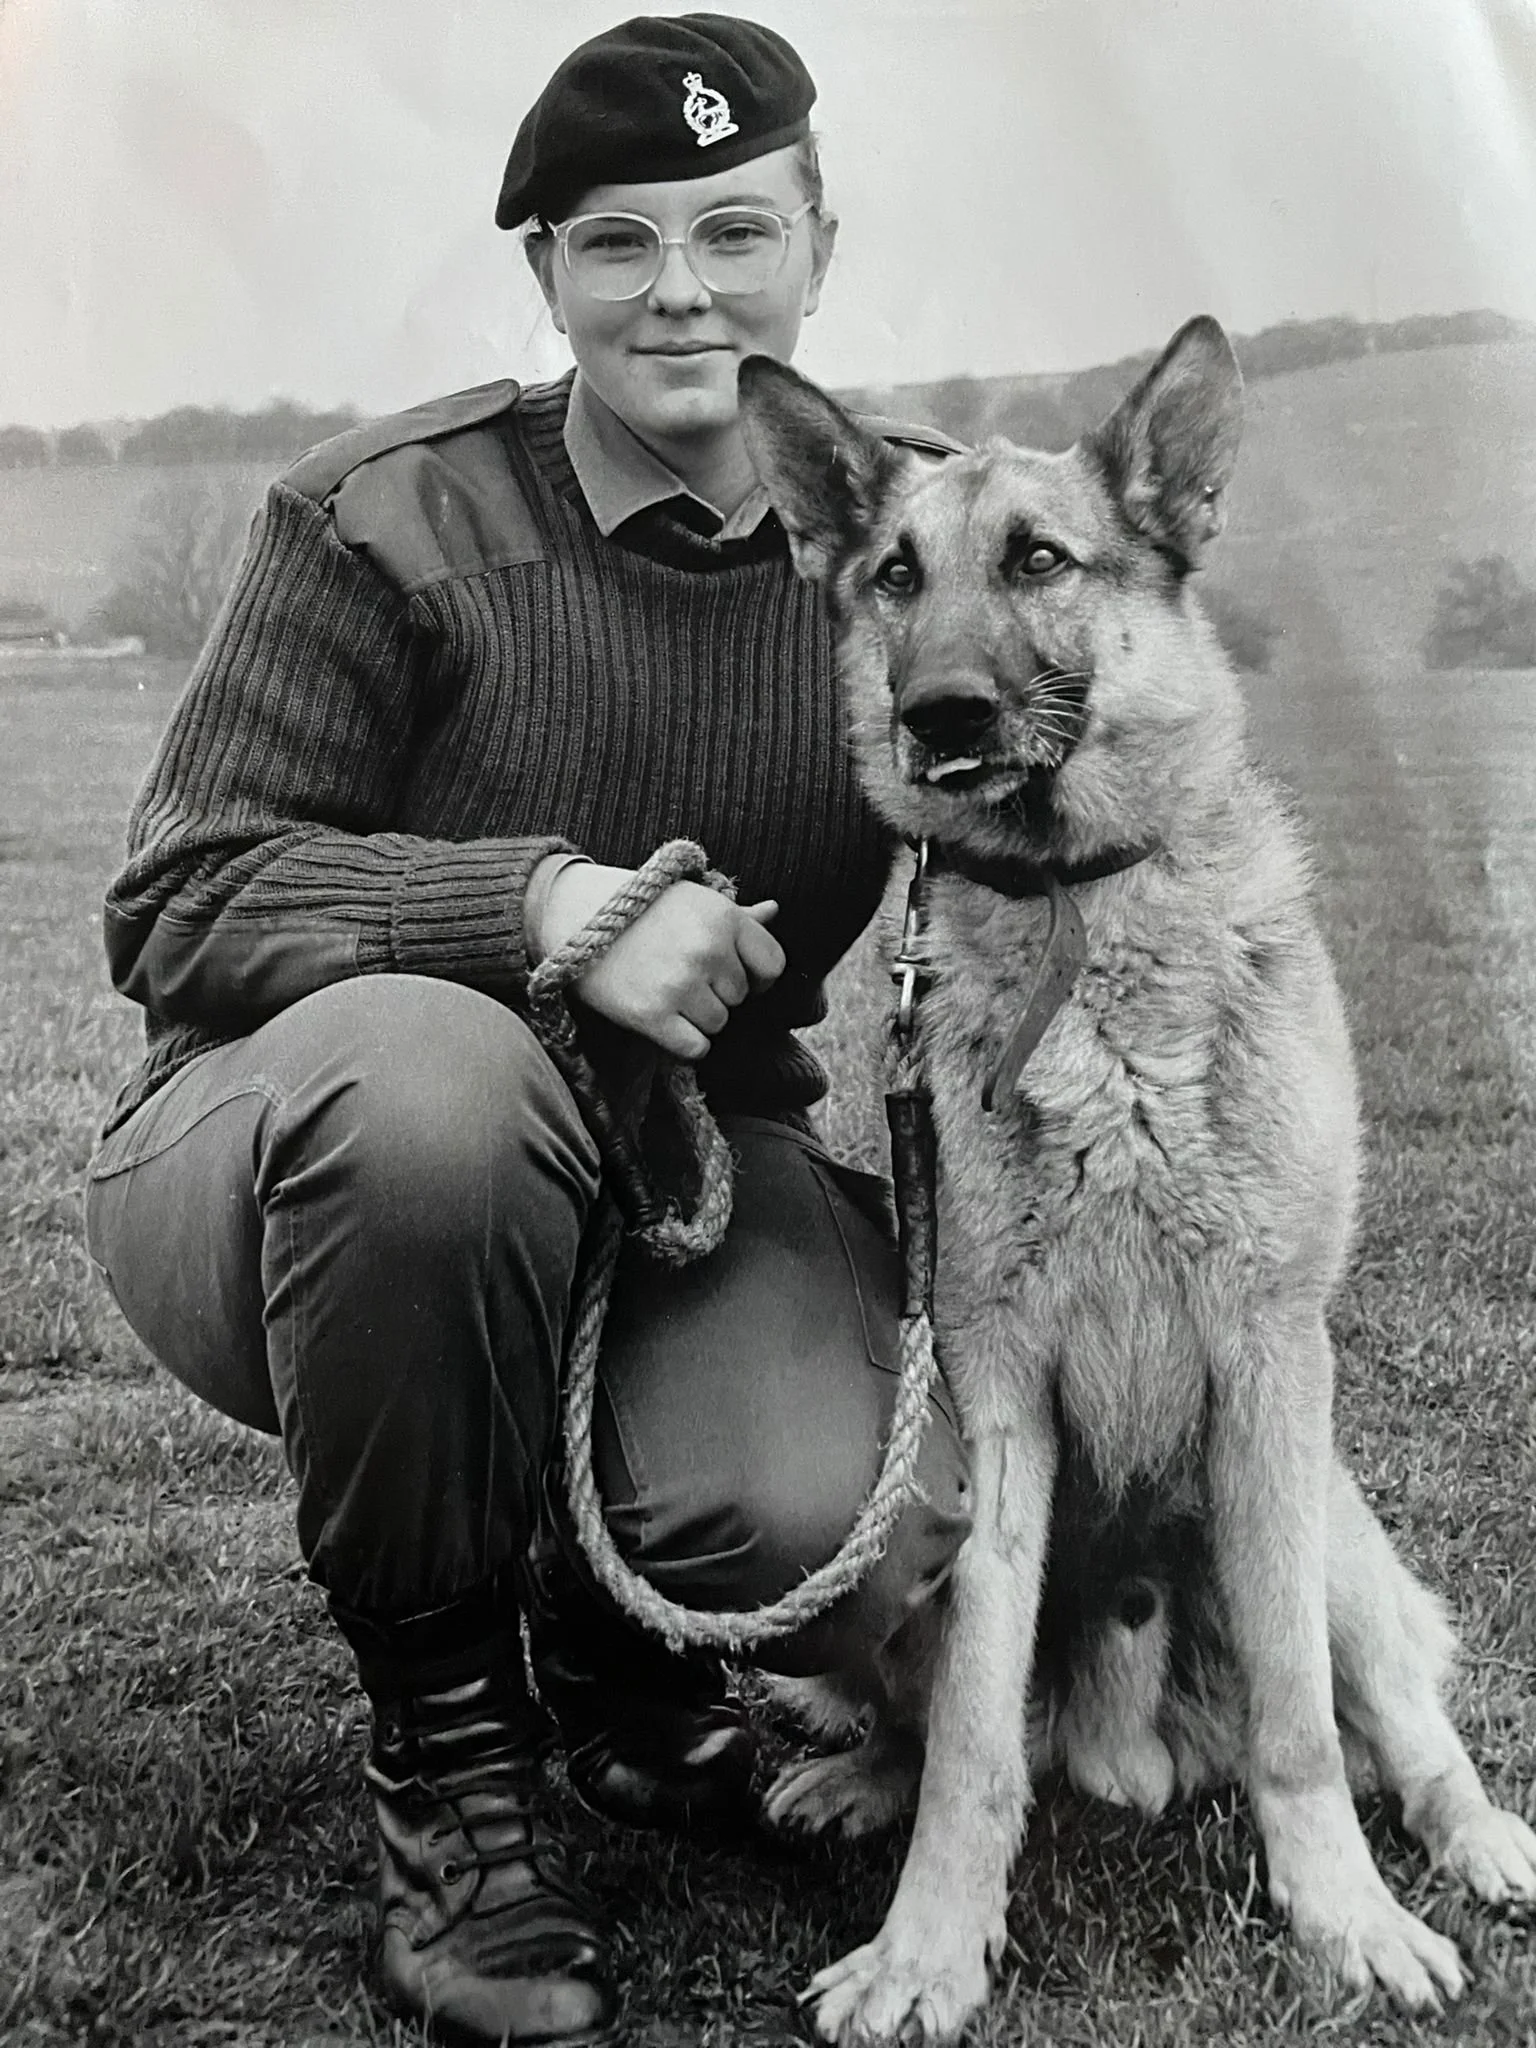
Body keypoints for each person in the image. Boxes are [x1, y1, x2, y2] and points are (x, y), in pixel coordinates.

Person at [84, 15, 973, 2046]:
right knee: (438, 1092)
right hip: (297, 1157)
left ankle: (621, 1673)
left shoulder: (901, 534)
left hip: (683, 1163)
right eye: (619, 245)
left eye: (736, 232)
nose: (685, 292)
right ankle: (451, 1761)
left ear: (820, 244)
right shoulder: (380, 517)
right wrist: (546, 911)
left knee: (834, 1529)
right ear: (547, 276)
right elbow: (179, 896)